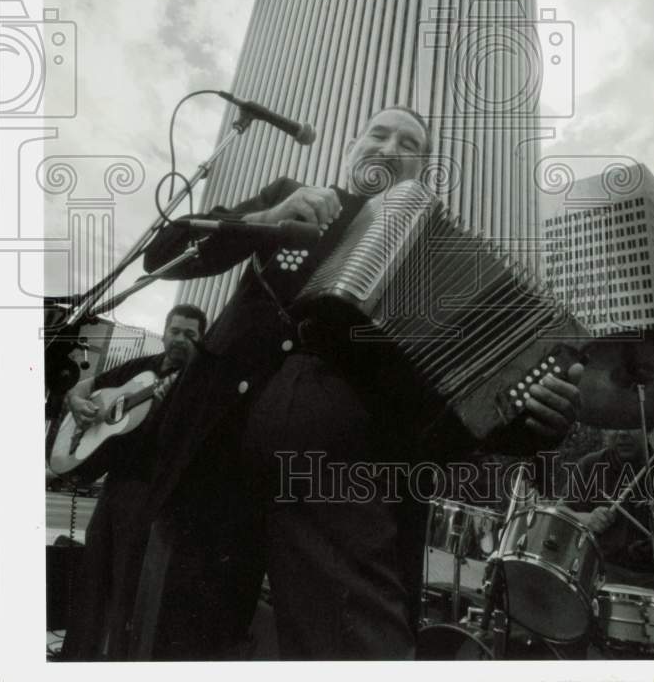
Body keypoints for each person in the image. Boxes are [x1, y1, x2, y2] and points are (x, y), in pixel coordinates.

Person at [134, 106, 584, 660]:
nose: (390, 146)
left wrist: (540, 420)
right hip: (219, 450)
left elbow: (468, 408)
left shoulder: (443, 266)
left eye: (409, 144)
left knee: (346, 643)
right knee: (185, 638)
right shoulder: (293, 198)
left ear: (419, 168)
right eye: (379, 133)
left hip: (337, 479)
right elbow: (164, 255)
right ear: (352, 147)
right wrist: (269, 216)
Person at [58, 303, 207, 661]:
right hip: (115, 487)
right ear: (165, 331)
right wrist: (78, 404)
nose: (180, 340)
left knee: (129, 590)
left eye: (191, 335)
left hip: (152, 496)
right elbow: (81, 387)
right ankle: (76, 658)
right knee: (92, 578)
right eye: (175, 331)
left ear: (201, 341)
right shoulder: (141, 367)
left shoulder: (198, 384)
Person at [560, 428, 654, 656]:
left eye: (631, 426)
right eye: (615, 426)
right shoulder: (591, 465)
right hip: (604, 579)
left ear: (648, 424)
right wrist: (587, 518)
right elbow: (560, 511)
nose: (622, 434)